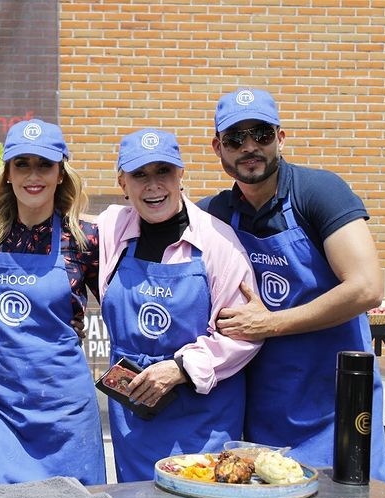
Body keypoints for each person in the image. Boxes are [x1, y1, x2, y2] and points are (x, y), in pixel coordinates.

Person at [198, 88, 385, 481]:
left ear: (280, 138)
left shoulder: (318, 192)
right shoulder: (215, 214)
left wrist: (272, 323)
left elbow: (367, 286)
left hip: (337, 408)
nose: (250, 147)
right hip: (263, 415)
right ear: (218, 148)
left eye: (262, 135)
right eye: (235, 139)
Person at [97, 128, 263, 482]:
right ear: (122, 182)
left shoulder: (218, 242)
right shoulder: (110, 229)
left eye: (163, 171)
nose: (153, 185)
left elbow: (243, 335)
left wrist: (181, 369)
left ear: (181, 174)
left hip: (202, 420)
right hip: (135, 416)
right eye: (139, 174)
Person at [0, 119, 106, 485]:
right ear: (8, 174)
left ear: (61, 173)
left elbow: (120, 308)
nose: (34, 175)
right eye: (22, 164)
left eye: (44, 165)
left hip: (65, 410)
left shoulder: (86, 239)